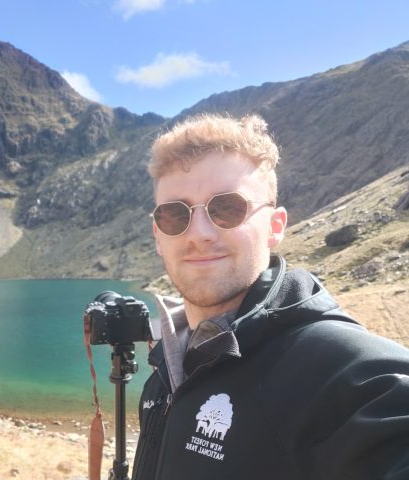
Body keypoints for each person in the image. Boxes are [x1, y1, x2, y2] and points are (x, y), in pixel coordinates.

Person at [132, 113, 409, 480]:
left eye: (227, 208)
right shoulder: (169, 362)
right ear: (157, 235)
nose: (198, 233)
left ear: (275, 227)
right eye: (174, 215)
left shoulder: (335, 369)